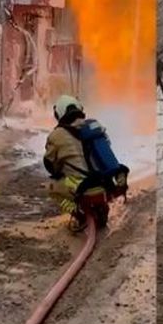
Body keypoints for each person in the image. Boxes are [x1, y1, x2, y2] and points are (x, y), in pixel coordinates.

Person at [43, 95, 109, 232]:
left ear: (59, 113)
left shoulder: (56, 135)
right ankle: (102, 208)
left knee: (51, 188)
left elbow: (50, 165)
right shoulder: (94, 126)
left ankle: (78, 212)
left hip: (81, 186)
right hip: (104, 182)